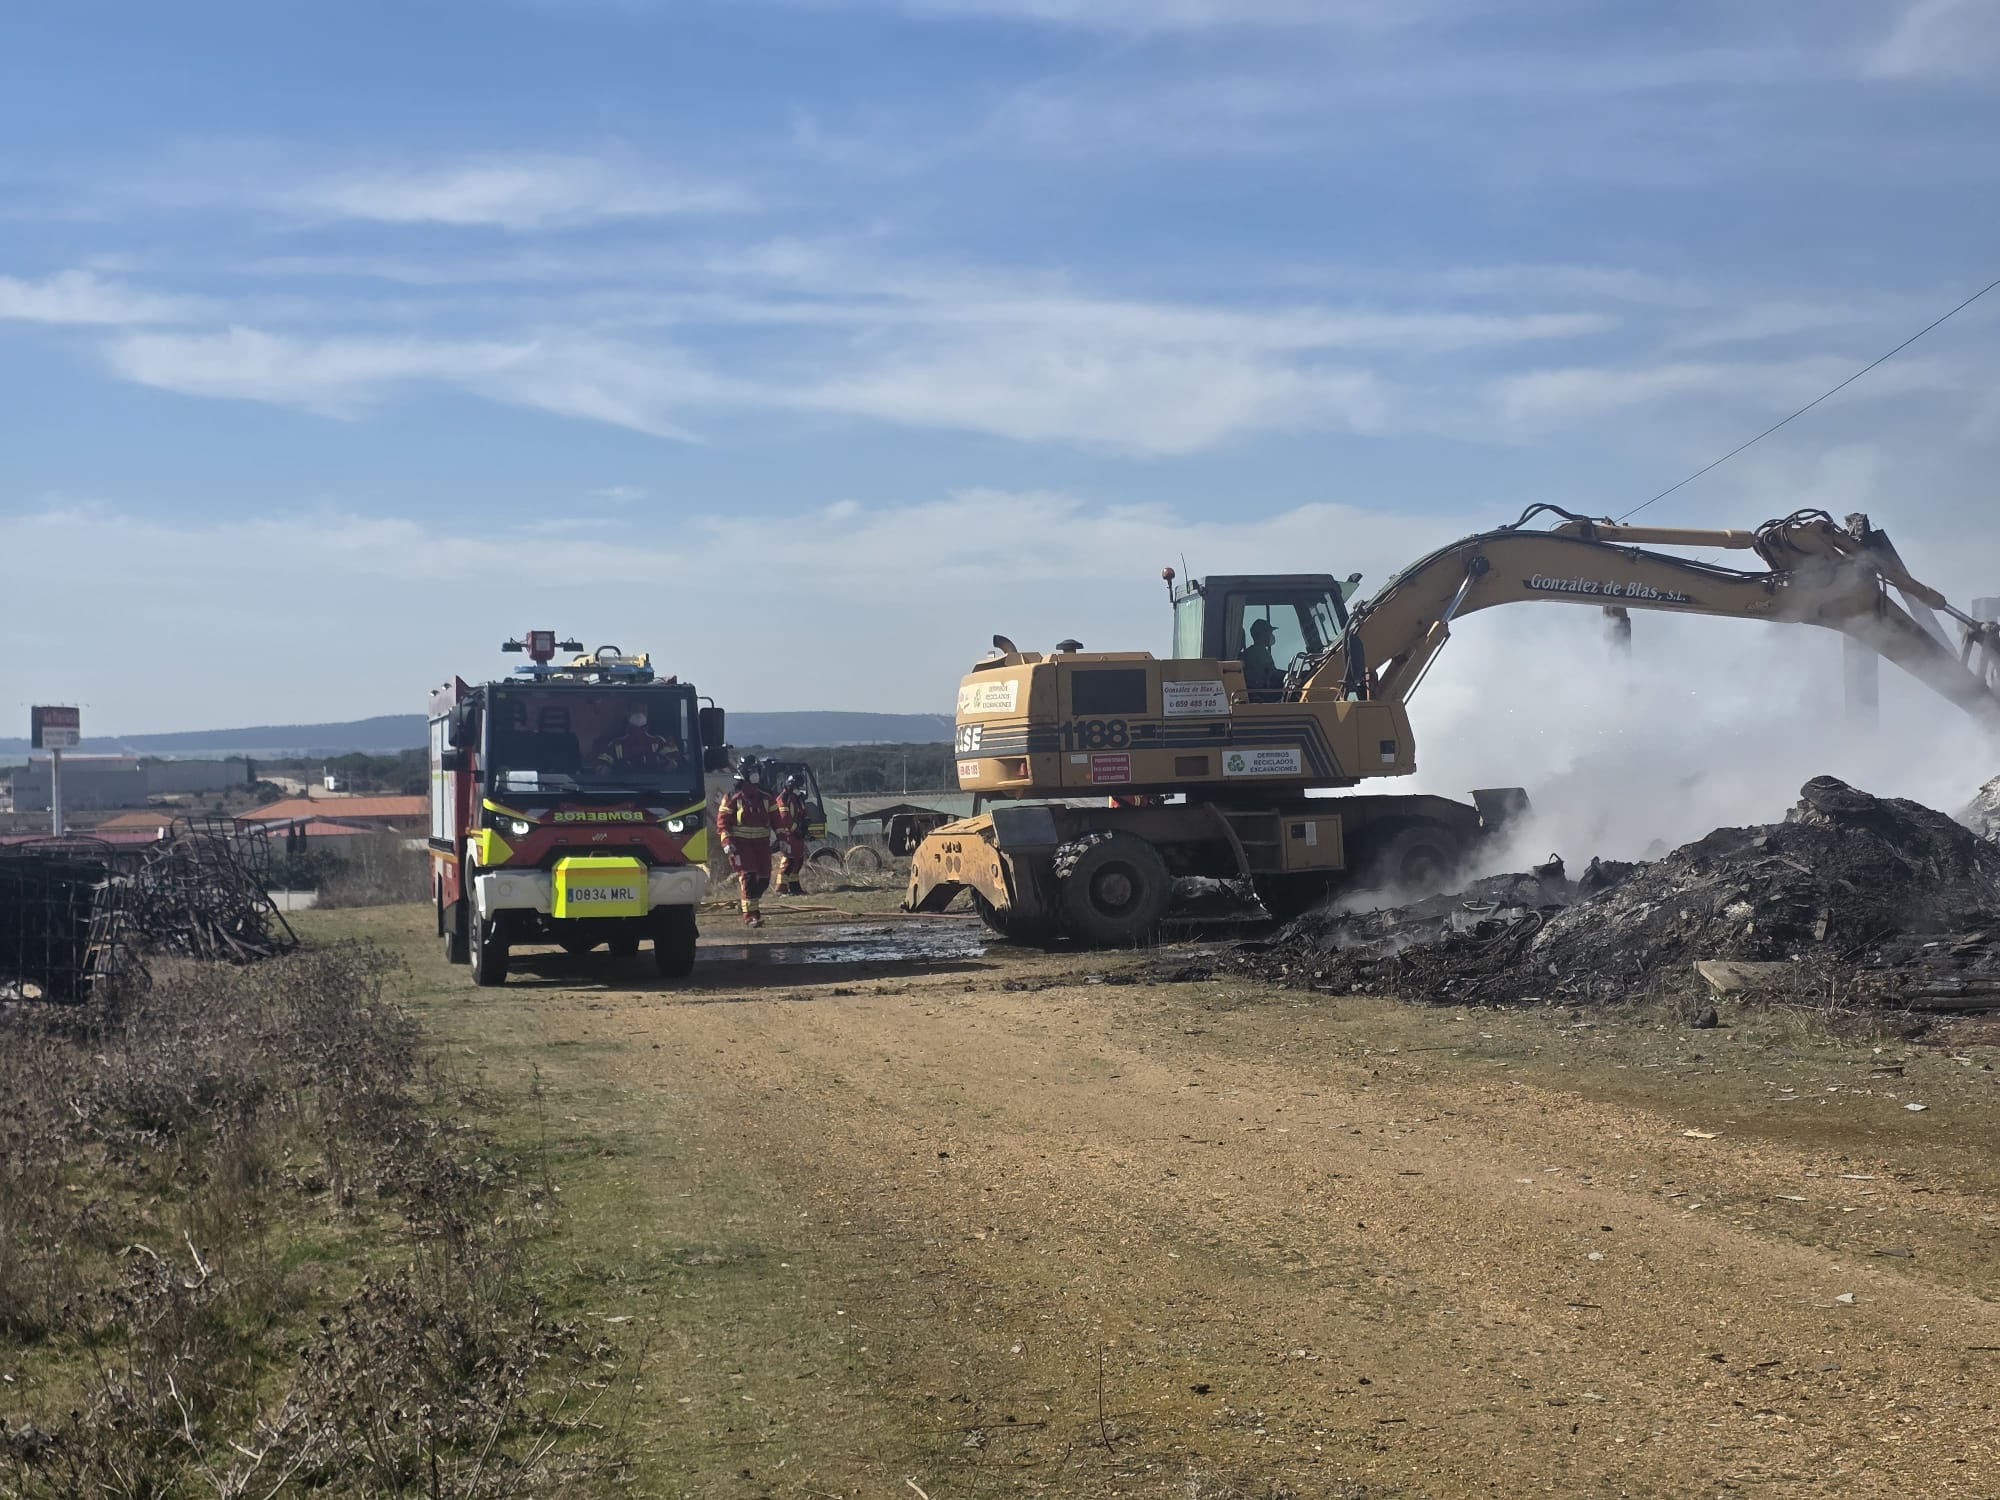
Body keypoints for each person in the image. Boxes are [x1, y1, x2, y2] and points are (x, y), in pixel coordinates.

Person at [715, 756, 778, 926]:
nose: (756, 775)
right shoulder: (732, 797)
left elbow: (777, 820)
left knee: (764, 879)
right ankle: (750, 916)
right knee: (749, 877)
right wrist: (726, 842)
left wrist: (783, 839)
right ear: (744, 774)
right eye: (753, 772)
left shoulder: (766, 797)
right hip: (741, 846)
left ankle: (748, 906)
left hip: (762, 846)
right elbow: (722, 823)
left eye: (757, 771)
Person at [591, 708, 682, 773]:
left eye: (641, 729)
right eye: (633, 729)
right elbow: (602, 762)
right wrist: (605, 769)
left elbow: (674, 759)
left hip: (655, 788)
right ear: (628, 728)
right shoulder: (616, 744)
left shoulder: (658, 742)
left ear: (646, 728)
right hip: (624, 787)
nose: (637, 733)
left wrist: (667, 765)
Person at [771, 773, 810, 896]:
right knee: (789, 860)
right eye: (798, 786)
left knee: (798, 861)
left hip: (797, 835)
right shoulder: (784, 798)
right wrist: (796, 829)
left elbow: (802, 814)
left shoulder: (797, 798)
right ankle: (780, 888)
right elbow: (785, 818)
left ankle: (794, 887)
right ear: (792, 785)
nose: (800, 789)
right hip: (789, 834)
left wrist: (804, 827)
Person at [1241, 618, 1282, 696]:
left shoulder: (1249, 652)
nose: (1272, 635)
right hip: (1262, 693)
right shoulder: (1261, 651)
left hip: (1254, 692)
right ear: (1263, 634)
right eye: (1270, 632)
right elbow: (1273, 673)